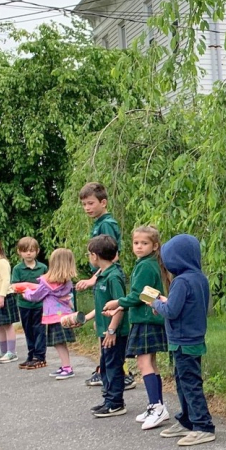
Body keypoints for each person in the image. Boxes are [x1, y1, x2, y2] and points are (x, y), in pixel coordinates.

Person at [151, 234, 216, 447]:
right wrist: (166, 302)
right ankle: (187, 420)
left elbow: (171, 311)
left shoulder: (180, 281)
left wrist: (156, 303)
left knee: (189, 383)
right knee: (183, 381)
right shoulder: (199, 278)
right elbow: (188, 305)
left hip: (182, 340)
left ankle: (203, 426)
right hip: (193, 338)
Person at [105, 226, 170, 430]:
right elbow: (148, 293)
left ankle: (156, 407)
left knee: (143, 364)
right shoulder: (149, 264)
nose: (139, 247)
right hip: (149, 319)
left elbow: (139, 295)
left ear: (155, 246)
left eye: (144, 243)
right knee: (151, 362)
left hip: (145, 321)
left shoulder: (144, 266)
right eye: (136, 243)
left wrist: (118, 302)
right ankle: (157, 406)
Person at [74, 183, 132, 391]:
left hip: (105, 275)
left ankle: (121, 376)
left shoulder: (106, 224)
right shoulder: (98, 222)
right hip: (103, 275)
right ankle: (107, 372)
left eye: (91, 203)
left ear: (103, 202)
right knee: (107, 346)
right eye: (84, 204)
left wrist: (93, 278)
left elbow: (111, 255)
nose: (87, 208)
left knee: (113, 345)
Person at [68, 235, 128, 416]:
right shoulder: (101, 275)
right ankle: (108, 399)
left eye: (88, 254)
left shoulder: (114, 277)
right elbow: (101, 305)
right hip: (104, 330)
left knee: (113, 366)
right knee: (105, 364)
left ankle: (116, 402)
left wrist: (111, 330)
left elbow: (120, 306)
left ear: (94, 256)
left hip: (114, 332)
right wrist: (85, 318)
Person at [21, 248, 77, 379]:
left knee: (59, 344)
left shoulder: (46, 282)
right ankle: (65, 365)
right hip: (65, 315)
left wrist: (25, 293)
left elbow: (35, 296)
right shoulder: (67, 281)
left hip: (53, 316)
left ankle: (67, 367)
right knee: (61, 343)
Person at [12, 237, 48, 369]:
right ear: (19, 252)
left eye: (32, 250)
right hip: (24, 304)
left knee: (39, 330)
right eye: (25, 251)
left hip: (40, 305)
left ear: (37, 251)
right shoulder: (17, 269)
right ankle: (31, 355)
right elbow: (15, 286)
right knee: (28, 330)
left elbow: (47, 285)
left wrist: (33, 289)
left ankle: (40, 356)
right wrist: (29, 289)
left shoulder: (42, 267)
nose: (28, 253)